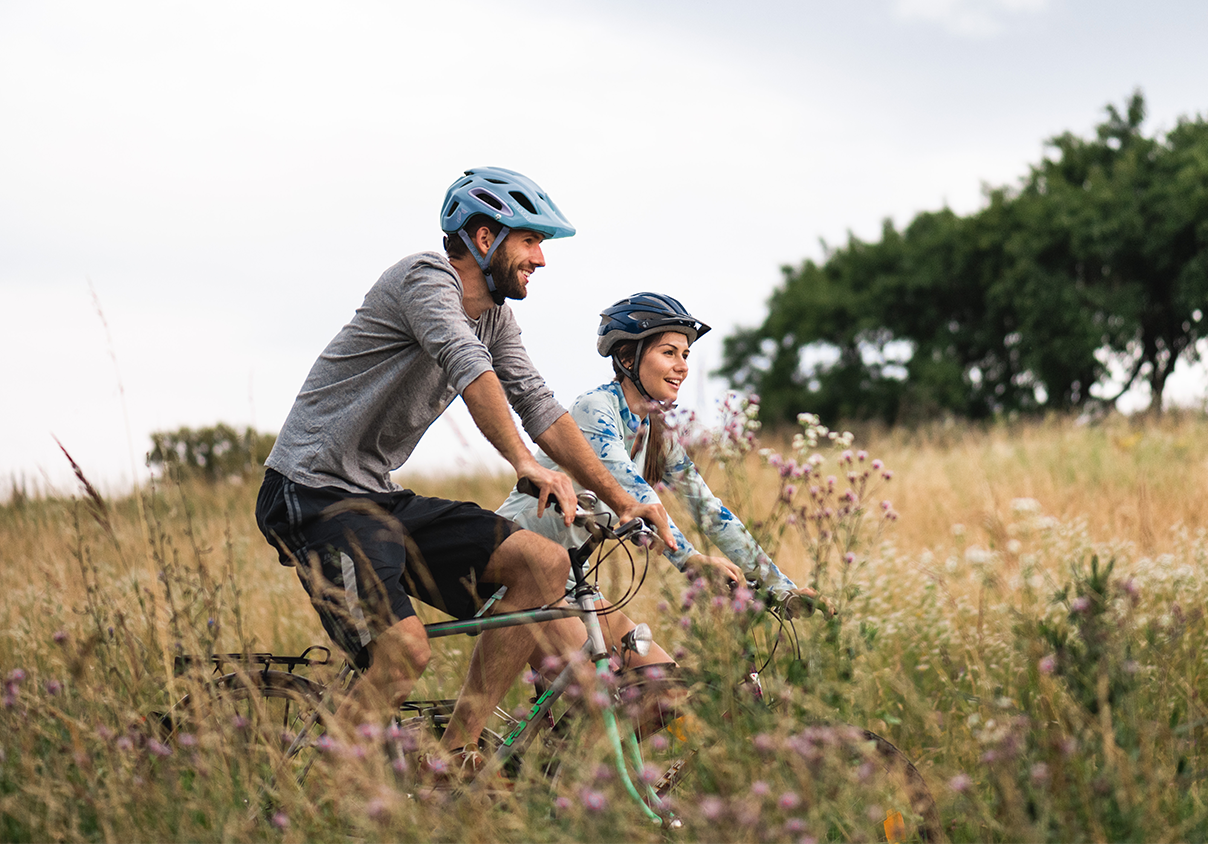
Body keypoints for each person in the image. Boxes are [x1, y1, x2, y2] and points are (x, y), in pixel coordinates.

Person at [254, 169, 675, 762]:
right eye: (530, 241)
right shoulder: (423, 279)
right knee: (403, 652)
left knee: (542, 563)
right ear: (483, 238)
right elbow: (468, 365)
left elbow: (539, 404)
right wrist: (524, 463)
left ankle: (453, 757)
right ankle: (320, 794)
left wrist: (625, 500)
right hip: (310, 494)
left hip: (376, 495)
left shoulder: (496, 319)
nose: (540, 259)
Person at [497, 292, 822, 673]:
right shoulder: (594, 409)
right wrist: (692, 560)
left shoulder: (657, 434)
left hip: (572, 583)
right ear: (627, 358)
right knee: (601, 692)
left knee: (662, 688)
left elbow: (710, 511)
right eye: (669, 353)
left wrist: (781, 589)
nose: (682, 366)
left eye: (685, 355)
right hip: (518, 569)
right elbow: (634, 494)